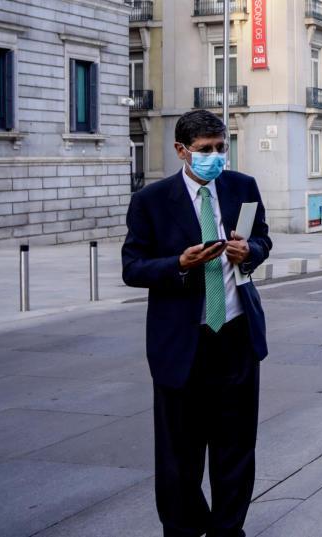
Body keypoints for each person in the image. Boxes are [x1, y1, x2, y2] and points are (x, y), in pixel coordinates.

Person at [121, 109, 272, 537]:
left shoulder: (243, 187)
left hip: (237, 337)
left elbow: (262, 236)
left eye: (221, 148)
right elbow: (132, 267)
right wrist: (179, 263)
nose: (216, 156)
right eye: (206, 150)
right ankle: (184, 528)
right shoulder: (151, 201)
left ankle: (228, 530)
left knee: (236, 449)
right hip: (182, 344)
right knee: (179, 455)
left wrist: (251, 251)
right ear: (181, 151)